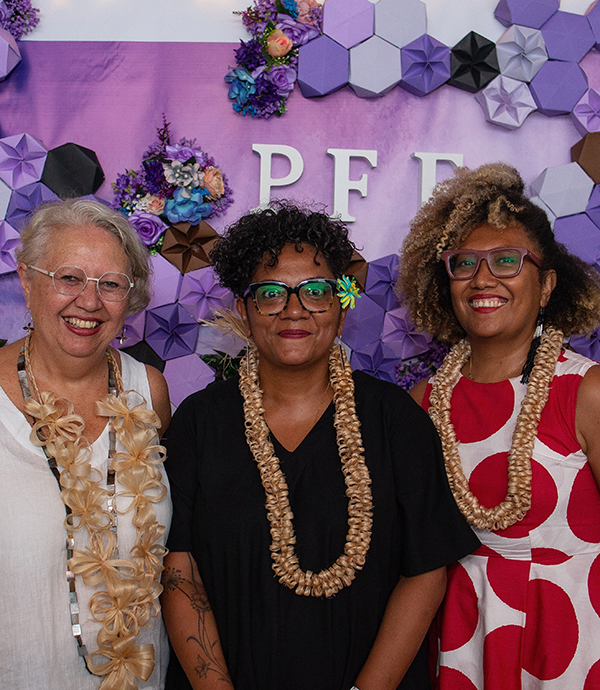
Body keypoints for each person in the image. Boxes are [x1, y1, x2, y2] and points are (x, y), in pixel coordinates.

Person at [161, 202, 479, 690]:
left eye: (315, 291)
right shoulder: (199, 423)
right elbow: (180, 571)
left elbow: (427, 570)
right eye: (270, 293)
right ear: (245, 311)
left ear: (342, 305)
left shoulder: (396, 420)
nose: (294, 309)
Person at [397, 162, 600, 689]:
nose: (483, 279)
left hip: (573, 636)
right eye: (464, 263)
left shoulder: (587, 391)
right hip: (461, 637)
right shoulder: (424, 402)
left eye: (507, 260)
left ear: (548, 282)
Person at [0, 199, 172, 690]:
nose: (89, 301)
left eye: (111, 284)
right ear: (28, 279)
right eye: (69, 277)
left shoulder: (149, 392)